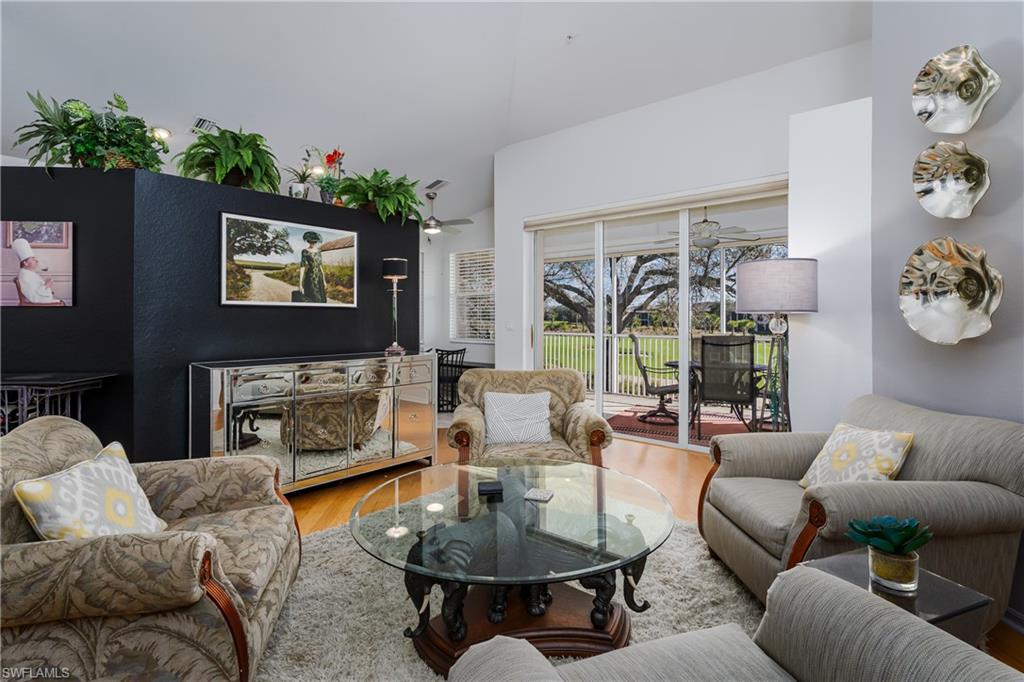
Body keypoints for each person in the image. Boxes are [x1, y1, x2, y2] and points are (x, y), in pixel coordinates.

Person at [12, 238, 58, 304]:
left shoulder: (28, 273)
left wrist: (45, 283)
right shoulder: (25, 276)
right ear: (25, 263)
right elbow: (34, 298)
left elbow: (35, 290)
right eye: (33, 259)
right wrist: (46, 285)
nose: (37, 261)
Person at [298, 231, 327, 303]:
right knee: (314, 299)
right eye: (311, 242)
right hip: (310, 278)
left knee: (321, 299)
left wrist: (324, 280)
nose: (313, 244)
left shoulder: (319, 251)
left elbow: (320, 266)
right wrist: (300, 283)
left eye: (314, 242)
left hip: (319, 278)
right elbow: (302, 267)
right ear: (308, 241)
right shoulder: (305, 251)